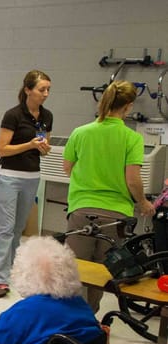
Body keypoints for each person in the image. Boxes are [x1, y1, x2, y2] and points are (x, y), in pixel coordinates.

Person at [63, 80, 155, 311]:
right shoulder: (131, 138)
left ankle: (66, 319)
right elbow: (132, 179)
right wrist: (143, 203)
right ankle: (88, 318)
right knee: (102, 272)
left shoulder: (80, 133)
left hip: (81, 210)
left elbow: (67, 167)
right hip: (116, 216)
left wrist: (88, 178)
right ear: (128, 106)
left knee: (74, 270)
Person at [0, 70, 53, 291]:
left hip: (32, 176)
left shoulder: (47, 116)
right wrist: (29, 145)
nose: (45, 94)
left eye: (48, 90)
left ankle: (12, 270)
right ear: (28, 90)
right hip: (9, 176)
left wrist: (44, 149)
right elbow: (2, 150)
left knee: (18, 229)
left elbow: (43, 148)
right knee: (5, 229)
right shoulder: (13, 115)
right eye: (41, 89)